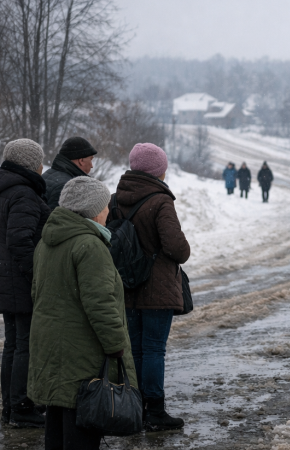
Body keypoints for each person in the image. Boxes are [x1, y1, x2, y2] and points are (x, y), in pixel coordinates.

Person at [29, 176, 138, 449]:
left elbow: (37, 294)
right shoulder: (89, 246)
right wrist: (116, 346)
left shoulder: (47, 243)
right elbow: (100, 303)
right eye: (105, 206)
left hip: (51, 348)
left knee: (57, 426)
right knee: (81, 432)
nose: (109, 211)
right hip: (82, 354)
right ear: (91, 209)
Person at [108, 143, 190, 431]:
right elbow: (177, 248)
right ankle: (155, 410)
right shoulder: (160, 201)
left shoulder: (115, 199)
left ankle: (137, 407)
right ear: (158, 171)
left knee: (135, 350)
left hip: (127, 285)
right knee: (154, 349)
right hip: (157, 289)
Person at [0, 138, 51, 428]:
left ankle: (10, 407)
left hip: (5, 279)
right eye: (39, 160)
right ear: (30, 163)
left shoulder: (1, 190)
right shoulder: (23, 193)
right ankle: (22, 408)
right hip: (21, 283)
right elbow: (21, 241)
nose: (42, 166)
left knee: (14, 345)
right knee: (24, 345)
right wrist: (37, 277)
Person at [42, 137, 97, 209]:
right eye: (91, 159)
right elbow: (56, 219)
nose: (92, 165)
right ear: (81, 161)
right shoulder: (67, 187)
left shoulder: (47, 174)